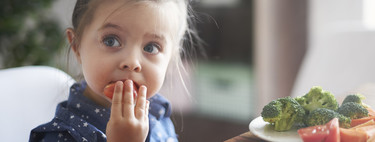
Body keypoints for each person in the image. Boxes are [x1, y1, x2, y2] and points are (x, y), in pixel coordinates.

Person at [30, 0, 195, 141]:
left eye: (151, 47)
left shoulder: (158, 112)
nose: (132, 62)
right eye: (111, 41)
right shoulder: (62, 135)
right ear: (77, 46)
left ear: (171, 57)